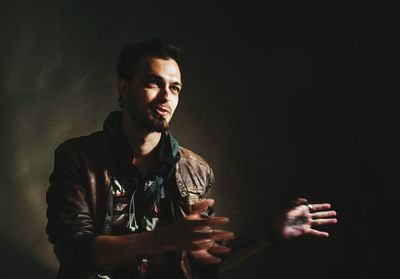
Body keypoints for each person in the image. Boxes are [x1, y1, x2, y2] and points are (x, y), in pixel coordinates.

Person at [46, 38, 337, 279]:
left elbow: (202, 260)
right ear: (125, 87)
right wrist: (164, 239)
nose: (166, 97)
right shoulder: (78, 157)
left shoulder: (195, 171)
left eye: (174, 88)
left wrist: (269, 233)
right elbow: (74, 251)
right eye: (153, 83)